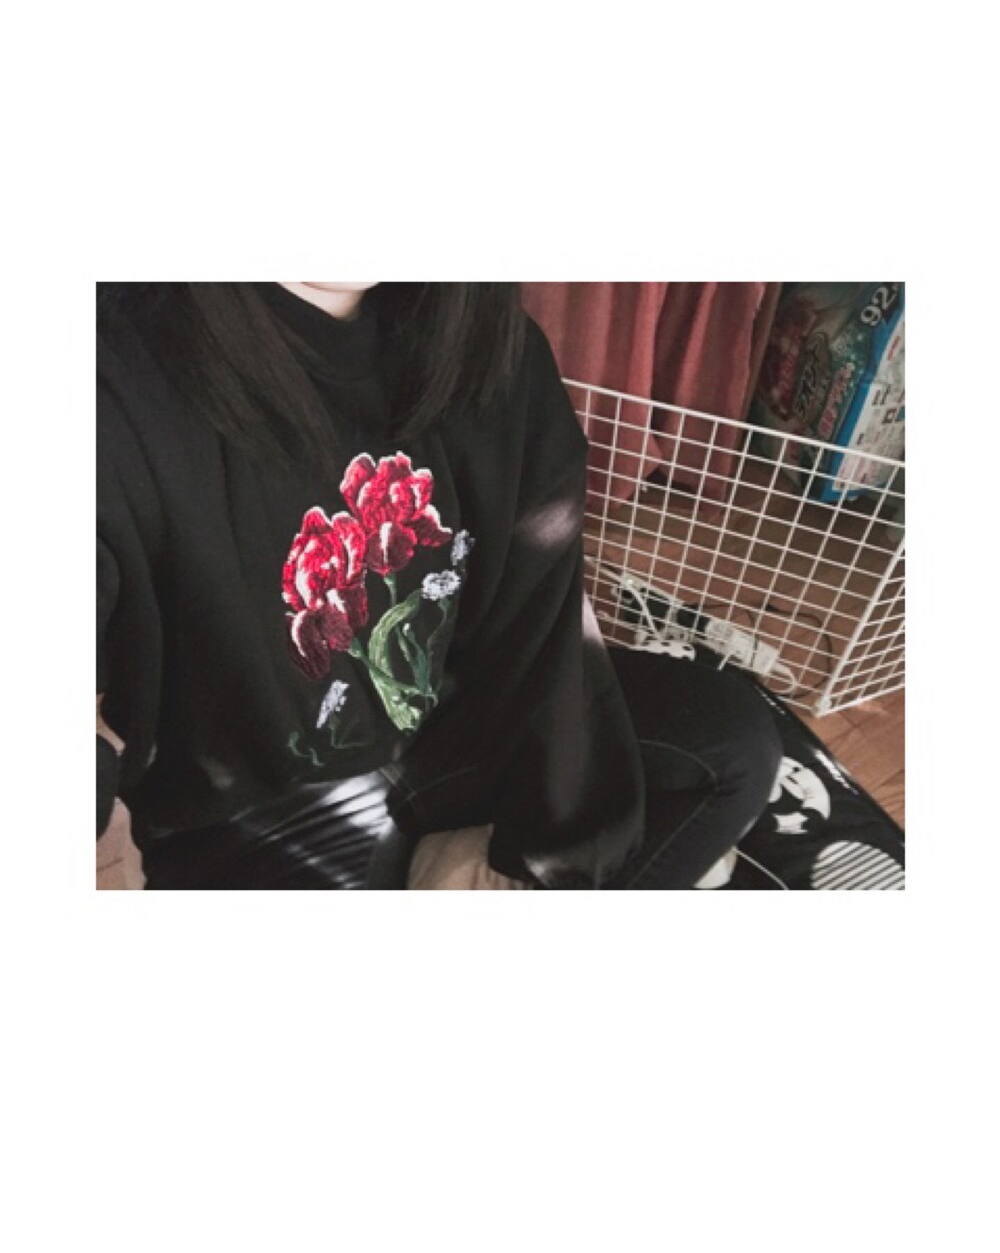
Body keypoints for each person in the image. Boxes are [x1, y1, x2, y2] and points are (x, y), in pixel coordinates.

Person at [97, 282, 782, 890]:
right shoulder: (109, 373)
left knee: (729, 744)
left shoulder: (497, 348)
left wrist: (529, 852)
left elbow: (542, 625)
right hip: (256, 805)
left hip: (450, 731)